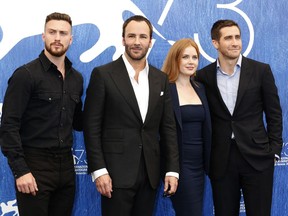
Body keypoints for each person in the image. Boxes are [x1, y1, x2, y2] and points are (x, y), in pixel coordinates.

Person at [83, 15, 179, 216]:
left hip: (150, 174)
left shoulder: (160, 79)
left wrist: (171, 170)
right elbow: (91, 127)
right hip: (115, 175)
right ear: (123, 39)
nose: (137, 42)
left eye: (142, 36)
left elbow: (168, 127)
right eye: (132, 36)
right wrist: (99, 171)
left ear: (150, 41)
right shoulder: (103, 74)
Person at [196, 19, 283, 216]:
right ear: (215, 43)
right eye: (228, 38)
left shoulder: (261, 71)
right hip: (222, 160)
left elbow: (274, 113)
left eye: (237, 37)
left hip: (258, 157)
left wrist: (274, 150)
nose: (235, 42)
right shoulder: (203, 76)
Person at [0, 12, 83, 216]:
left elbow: (79, 122)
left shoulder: (76, 78)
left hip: (66, 167)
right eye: (52, 32)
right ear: (43, 36)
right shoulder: (26, 75)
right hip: (34, 166)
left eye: (63, 33)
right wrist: (21, 171)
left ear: (70, 39)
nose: (57, 37)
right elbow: (8, 125)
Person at [162, 38, 211, 216]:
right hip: (180, 165)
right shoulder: (166, 89)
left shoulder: (200, 88)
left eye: (194, 57)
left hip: (200, 165)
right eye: (185, 57)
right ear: (175, 59)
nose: (191, 62)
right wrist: (170, 168)